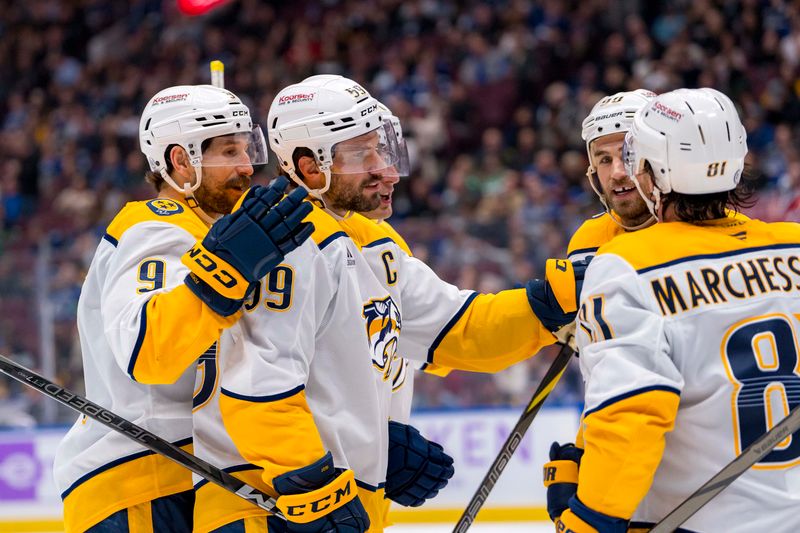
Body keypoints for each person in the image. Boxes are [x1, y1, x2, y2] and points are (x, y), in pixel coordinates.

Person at [53, 84, 313, 533]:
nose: (247, 166)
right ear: (180, 160)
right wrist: (225, 268)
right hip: (141, 476)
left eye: (247, 148)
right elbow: (148, 348)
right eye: (229, 151)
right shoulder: (154, 225)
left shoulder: (220, 232)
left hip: (194, 476)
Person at [191, 76, 434, 533]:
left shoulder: (359, 238)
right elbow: (258, 384)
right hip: (265, 508)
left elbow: (454, 324)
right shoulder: (294, 243)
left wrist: (545, 306)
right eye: (365, 155)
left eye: (382, 150)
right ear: (311, 166)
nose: (388, 170)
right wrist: (313, 486)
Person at [555, 87, 800, 532]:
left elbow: (634, 411)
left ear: (651, 170)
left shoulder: (627, 263)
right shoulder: (792, 244)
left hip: (700, 521)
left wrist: (592, 513)